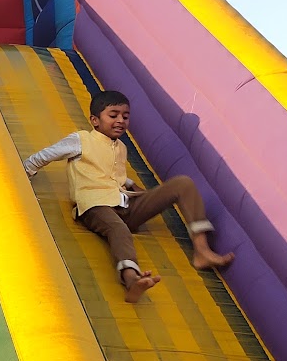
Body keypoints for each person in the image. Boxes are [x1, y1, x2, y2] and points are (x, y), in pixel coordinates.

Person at [24, 89, 234, 303]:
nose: (120, 121)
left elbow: (117, 176)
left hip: (124, 204)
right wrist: (24, 172)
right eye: (113, 115)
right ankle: (131, 278)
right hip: (95, 206)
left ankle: (201, 250)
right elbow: (47, 154)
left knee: (183, 183)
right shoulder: (81, 140)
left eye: (125, 116)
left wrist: (138, 189)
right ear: (95, 120)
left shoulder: (121, 147)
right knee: (119, 230)